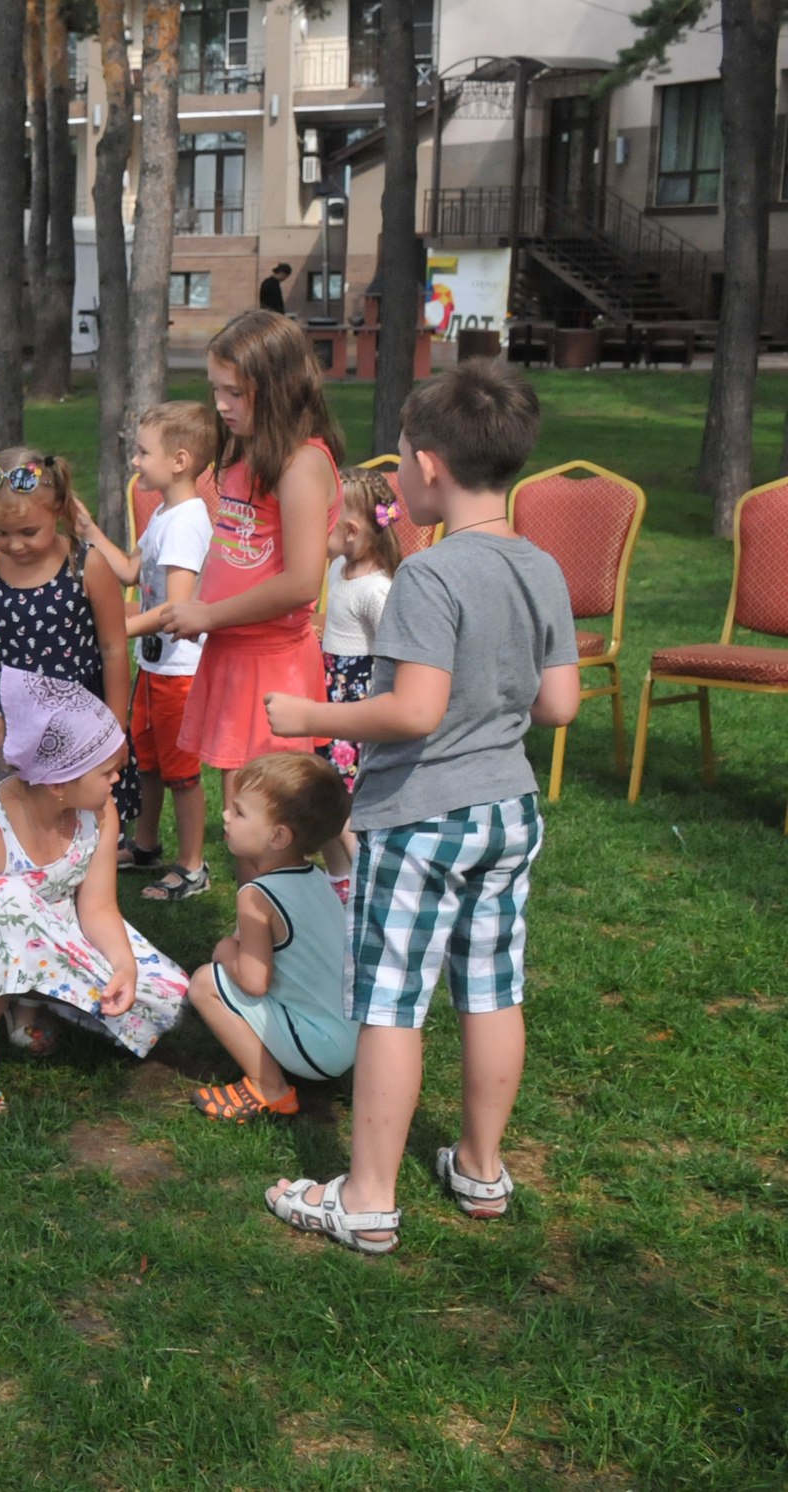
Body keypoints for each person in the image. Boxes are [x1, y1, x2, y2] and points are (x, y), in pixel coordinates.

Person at [260, 360, 579, 1255]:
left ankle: (367, 1199)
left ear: (430, 466)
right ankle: (480, 1168)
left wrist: (310, 717)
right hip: (508, 812)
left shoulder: (430, 577)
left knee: (391, 1003)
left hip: (422, 816)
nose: (398, 472)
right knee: (492, 990)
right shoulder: (542, 566)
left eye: (401, 457)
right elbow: (559, 705)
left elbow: (413, 711)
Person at [0, 669, 191, 1114]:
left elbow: (98, 907)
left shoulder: (99, 811)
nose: (117, 780)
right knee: (2, 901)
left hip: (39, 927)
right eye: (108, 772)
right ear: (58, 783)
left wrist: (124, 965)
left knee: (166, 996)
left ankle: (23, 1002)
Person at [161, 311, 343, 807]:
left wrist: (210, 615)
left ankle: (334, 857)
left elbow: (302, 582)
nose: (220, 404)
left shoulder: (301, 465)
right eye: (215, 389)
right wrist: (201, 608)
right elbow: (233, 549)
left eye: (235, 393)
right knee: (245, 811)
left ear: (280, 389)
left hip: (271, 663)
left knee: (266, 813)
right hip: (233, 652)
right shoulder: (247, 453)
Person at [0, 449, 139, 838]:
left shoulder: (87, 566)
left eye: (28, 532)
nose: (15, 545)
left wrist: (115, 726)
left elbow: (114, 649)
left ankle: (83, 868)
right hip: (12, 713)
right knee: (12, 812)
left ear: (58, 509)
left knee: (84, 811)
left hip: (79, 715)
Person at [74, 400, 220, 901]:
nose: (135, 461)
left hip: (180, 671)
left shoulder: (185, 523)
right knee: (150, 762)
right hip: (156, 664)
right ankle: (146, 845)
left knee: (182, 774)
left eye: (142, 452)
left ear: (179, 461)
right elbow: (131, 572)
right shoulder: (163, 513)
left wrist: (115, 632)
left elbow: (175, 608)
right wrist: (89, 530)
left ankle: (193, 866)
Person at [185, 752, 357, 1121]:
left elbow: (254, 981)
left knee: (204, 983)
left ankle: (269, 1087)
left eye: (239, 812)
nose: (225, 816)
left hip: (319, 1049)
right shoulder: (317, 878)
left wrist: (225, 951)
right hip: (353, 1038)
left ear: (278, 836)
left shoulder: (256, 895)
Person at [314, 466, 408, 789]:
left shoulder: (376, 589)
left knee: (348, 780)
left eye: (323, 522)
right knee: (323, 776)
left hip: (357, 694)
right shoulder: (338, 567)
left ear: (351, 531)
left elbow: (394, 650)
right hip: (331, 682)